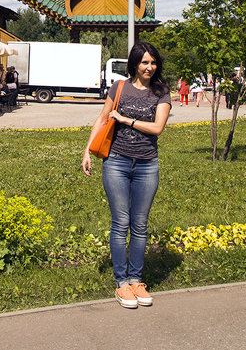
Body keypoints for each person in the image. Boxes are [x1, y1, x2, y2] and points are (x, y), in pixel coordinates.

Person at [81, 41, 171, 309]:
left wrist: (126, 120)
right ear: (134, 63)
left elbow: (157, 128)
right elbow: (102, 118)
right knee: (120, 222)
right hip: (116, 162)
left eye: (153, 62)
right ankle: (122, 284)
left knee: (140, 224)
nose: (149, 67)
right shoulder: (120, 87)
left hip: (146, 165)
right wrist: (87, 150)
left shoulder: (161, 92)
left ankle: (136, 279)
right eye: (144, 62)